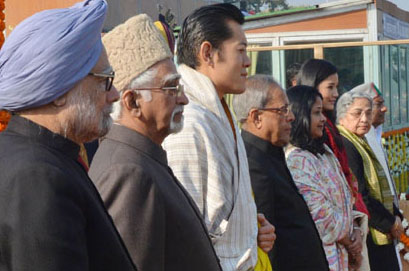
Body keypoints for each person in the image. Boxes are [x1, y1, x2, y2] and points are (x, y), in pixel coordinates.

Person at [0, 1, 136, 270]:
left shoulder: (38, 155)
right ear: (60, 91)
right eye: (104, 79)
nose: (115, 94)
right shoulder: (39, 176)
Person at [88, 14, 222, 271]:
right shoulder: (128, 172)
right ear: (132, 102)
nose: (183, 99)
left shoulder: (143, 157)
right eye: (171, 88)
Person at [162, 4, 275, 271]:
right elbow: (186, 233)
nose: (248, 61)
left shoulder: (218, 110)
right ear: (208, 53)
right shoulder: (188, 121)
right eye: (241, 51)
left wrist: (248, 227)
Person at [232, 75, 329, 271]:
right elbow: (268, 246)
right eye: (282, 110)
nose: (291, 117)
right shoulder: (253, 165)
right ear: (256, 117)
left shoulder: (271, 154)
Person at [285, 85, 359, 271]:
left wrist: (356, 230)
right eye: (317, 113)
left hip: (343, 253)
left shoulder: (324, 152)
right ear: (300, 115)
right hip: (325, 258)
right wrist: (350, 241)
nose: (323, 119)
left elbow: (348, 198)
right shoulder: (297, 160)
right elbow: (323, 219)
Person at [337, 89, 403, 271]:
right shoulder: (346, 145)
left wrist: (396, 215)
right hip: (370, 233)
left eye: (368, 112)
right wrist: (390, 222)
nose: (365, 119)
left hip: (381, 228)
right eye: (357, 113)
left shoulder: (362, 140)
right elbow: (360, 196)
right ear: (342, 117)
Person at [297, 58, 369, 217]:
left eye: (337, 87)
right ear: (312, 86)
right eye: (330, 87)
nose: (336, 94)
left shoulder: (330, 127)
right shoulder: (310, 135)